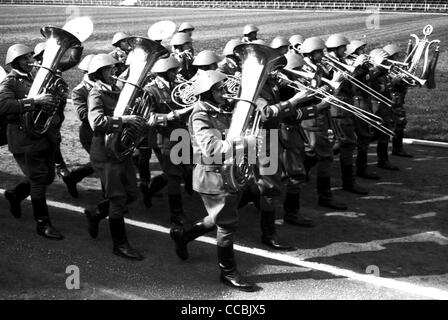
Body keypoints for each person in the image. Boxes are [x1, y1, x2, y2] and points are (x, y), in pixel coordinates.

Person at [170, 70, 258, 291]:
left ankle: (183, 235)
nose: (224, 93)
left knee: (221, 216)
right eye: (219, 89)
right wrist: (245, 142)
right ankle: (227, 272)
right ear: (207, 92)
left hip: (224, 173)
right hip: (211, 177)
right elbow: (211, 150)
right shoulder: (200, 115)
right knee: (227, 225)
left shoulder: (217, 110)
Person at [0, 44, 63, 239]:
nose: (31, 61)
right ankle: (42, 223)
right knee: (38, 179)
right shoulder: (10, 82)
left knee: (48, 176)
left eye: (30, 57)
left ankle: (16, 194)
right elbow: (3, 106)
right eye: (26, 58)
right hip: (23, 138)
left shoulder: (34, 76)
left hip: (42, 135)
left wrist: (57, 96)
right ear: (15, 61)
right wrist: (35, 101)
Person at [87, 53, 146, 260]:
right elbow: (96, 122)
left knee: (132, 194)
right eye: (110, 69)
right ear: (99, 73)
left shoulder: (117, 91)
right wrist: (124, 119)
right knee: (118, 198)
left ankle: (96, 213)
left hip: (120, 151)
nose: (115, 72)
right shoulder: (96, 94)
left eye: (115, 69)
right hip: (104, 153)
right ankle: (119, 245)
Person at [299, 36, 347, 210]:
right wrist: (332, 85)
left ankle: (299, 176)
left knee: (312, 153)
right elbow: (306, 95)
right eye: (319, 52)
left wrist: (335, 83)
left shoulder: (317, 67)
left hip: (319, 114)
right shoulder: (304, 69)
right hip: (313, 117)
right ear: (311, 53)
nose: (323, 54)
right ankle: (325, 195)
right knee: (325, 156)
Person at [145, 55, 192, 226]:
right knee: (174, 176)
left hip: (181, 134)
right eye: (174, 71)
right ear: (164, 72)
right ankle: (176, 213)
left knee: (186, 169)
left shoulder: (177, 86)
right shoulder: (150, 91)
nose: (177, 73)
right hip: (164, 138)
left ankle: (151, 187)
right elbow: (147, 118)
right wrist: (168, 116)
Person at [324, 34, 368, 195]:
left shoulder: (339, 61)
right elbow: (334, 87)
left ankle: (309, 165)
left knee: (342, 143)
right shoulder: (328, 63)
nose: (345, 50)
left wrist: (360, 68)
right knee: (347, 143)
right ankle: (348, 183)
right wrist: (354, 67)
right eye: (343, 47)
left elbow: (354, 83)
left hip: (344, 105)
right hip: (338, 107)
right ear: (336, 48)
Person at [33, 41, 83, 180]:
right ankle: (59, 165)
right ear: (39, 58)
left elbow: (73, 60)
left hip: (58, 108)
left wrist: (77, 46)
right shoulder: (36, 71)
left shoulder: (56, 66)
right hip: (46, 109)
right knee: (53, 138)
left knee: (54, 137)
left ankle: (54, 161)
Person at [383, 43, 413, 158]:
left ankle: (397, 148)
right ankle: (396, 149)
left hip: (398, 99)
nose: (398, 58)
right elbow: (384, 86)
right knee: (398, 123)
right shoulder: (385, 69)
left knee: (399, 124)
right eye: (395, 56)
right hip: (392, 100)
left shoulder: (395, 67)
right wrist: (394, 81)